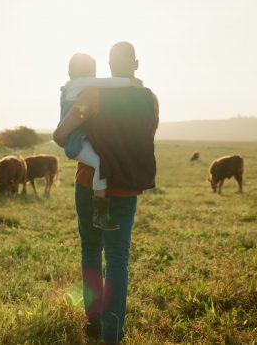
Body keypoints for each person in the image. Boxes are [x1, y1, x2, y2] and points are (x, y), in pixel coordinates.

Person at [53, 42, 159, 344]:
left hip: (89, 184)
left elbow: (61, 135)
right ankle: (113, 336)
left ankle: (94, 319)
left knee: (90, 250)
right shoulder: (150, 100)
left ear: (108, 67)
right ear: (135, 64)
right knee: (117, 260)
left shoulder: (93, 94)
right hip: (125, 188)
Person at [58, 53, 141, 230]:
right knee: (101, 163)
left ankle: (100, 211)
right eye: (93, 72)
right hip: (75, 141)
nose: (95, 76)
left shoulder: (70, 87)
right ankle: (101, 214)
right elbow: (107, 83)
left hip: (78, 138)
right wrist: (129, 83)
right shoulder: (81, 84)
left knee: (101, 160)